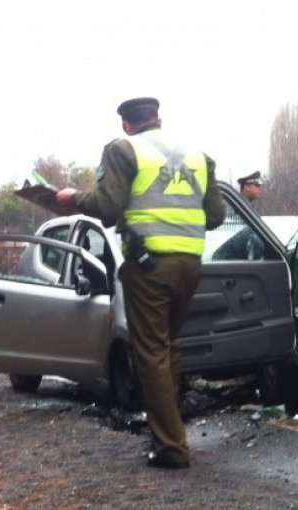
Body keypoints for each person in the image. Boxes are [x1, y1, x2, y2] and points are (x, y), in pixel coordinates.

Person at [55, 97, 225, 470]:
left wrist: (72, 199)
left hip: (149, 266)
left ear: (126, 125)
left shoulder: (123, 149)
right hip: (190, 265)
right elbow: (216, 215)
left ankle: (172, 448)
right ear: (158, 119)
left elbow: (108, 207)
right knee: (168, 347)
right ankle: (173, 427)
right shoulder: (198, 155)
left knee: (150, 354)